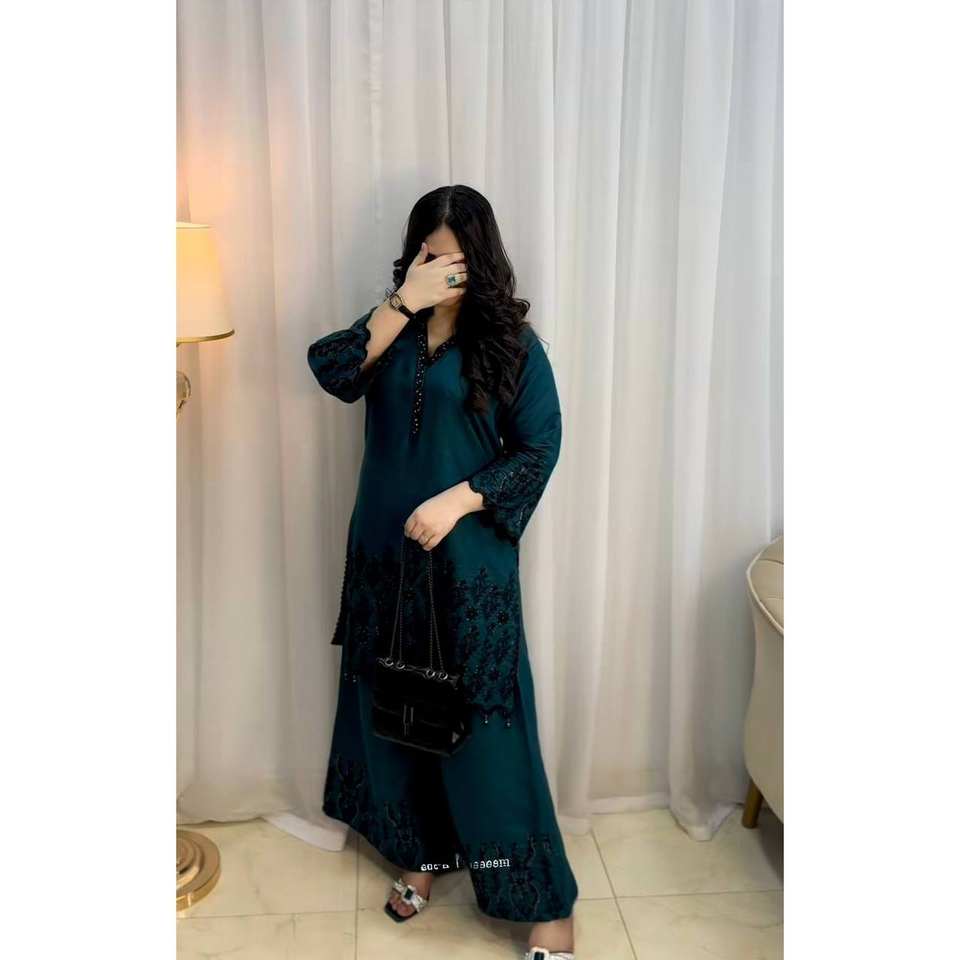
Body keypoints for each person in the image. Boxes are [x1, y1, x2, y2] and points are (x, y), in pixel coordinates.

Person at [307, 185, 577, 960]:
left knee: (488, 731)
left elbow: (539, 446)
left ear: (480, 260)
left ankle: (546, 908)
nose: (443, 269)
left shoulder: (512, 345)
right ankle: (421, 857)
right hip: (384, 559)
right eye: (430, 254)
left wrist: (459, 500)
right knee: (395, 713)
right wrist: (401, 302)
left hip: (467, 568)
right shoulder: (390, 329)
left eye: (455, 258)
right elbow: (332, 369)